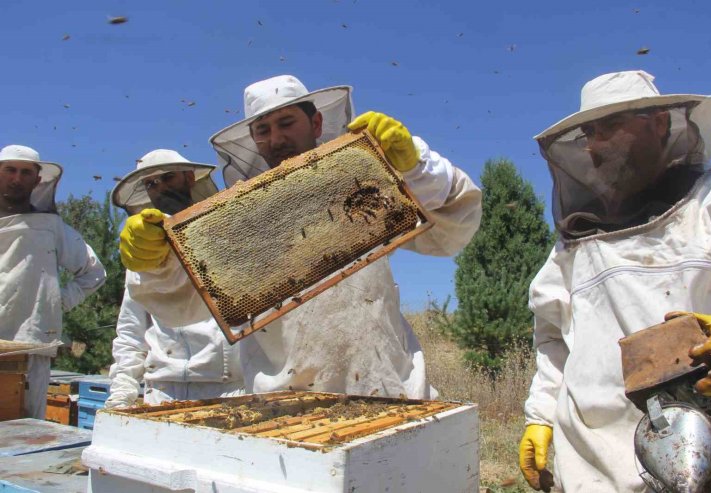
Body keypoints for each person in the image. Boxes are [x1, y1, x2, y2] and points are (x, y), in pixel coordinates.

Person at [119, 75, 482, 399]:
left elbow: (454, 229)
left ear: (317, 122)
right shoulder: (239, 220)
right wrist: (157, 265)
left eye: (286, 122)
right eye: (263, 130)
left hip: (390, 386)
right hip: (285, 403)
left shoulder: (361, 179)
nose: (276, 139)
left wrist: (415, 165)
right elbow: (186, 304)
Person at [518, 70, 711, 492]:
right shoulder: (573, 243)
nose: (597, 142)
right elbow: (553, 339)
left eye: (612, 125)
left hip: (703, 456)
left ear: (660, 124)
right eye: (589, 131)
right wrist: (541, 415)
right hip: (590, 464)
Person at [106, 149, 245, 407]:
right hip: (161, 390)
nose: (160, 188)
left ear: (189, 179)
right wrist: (121, 394)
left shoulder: (226, 235)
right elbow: (130, 331)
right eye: (151, 184)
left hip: (226, 390)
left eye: (168, 177)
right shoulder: (143, 248)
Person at [0, 144, 106, 418]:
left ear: (37, 180)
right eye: (10, 170)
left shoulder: (50, 226)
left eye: (25, 172)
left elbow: (94, 272)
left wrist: (56, 303)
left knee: (25, 432)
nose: (17, 178)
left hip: (33, 342)